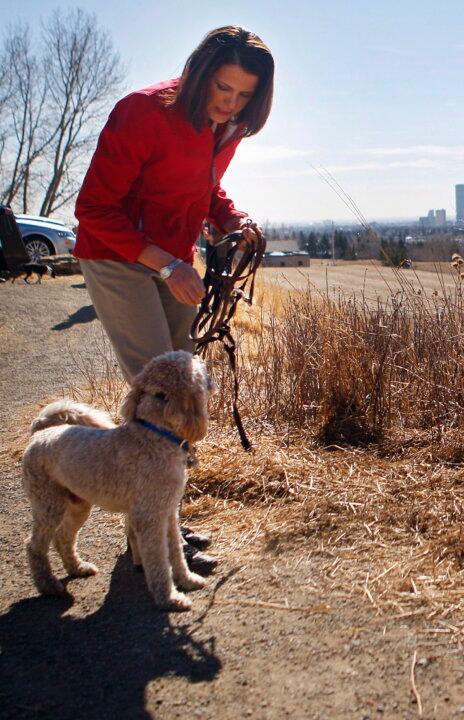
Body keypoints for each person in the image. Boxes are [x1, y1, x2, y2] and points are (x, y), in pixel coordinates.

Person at [73, 26, 275, 573]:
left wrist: (236, 221)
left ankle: (162, 522)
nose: (229, 103)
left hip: (176, 261)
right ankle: (155, 539)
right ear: (198, 72)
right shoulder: (140, 112)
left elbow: (202, 191)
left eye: (243, 95)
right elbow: (93, 209)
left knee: (185, 392)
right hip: (120, 256)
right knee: (160, 390)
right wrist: (164, 263)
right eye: (222, 88)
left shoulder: (225, 129)